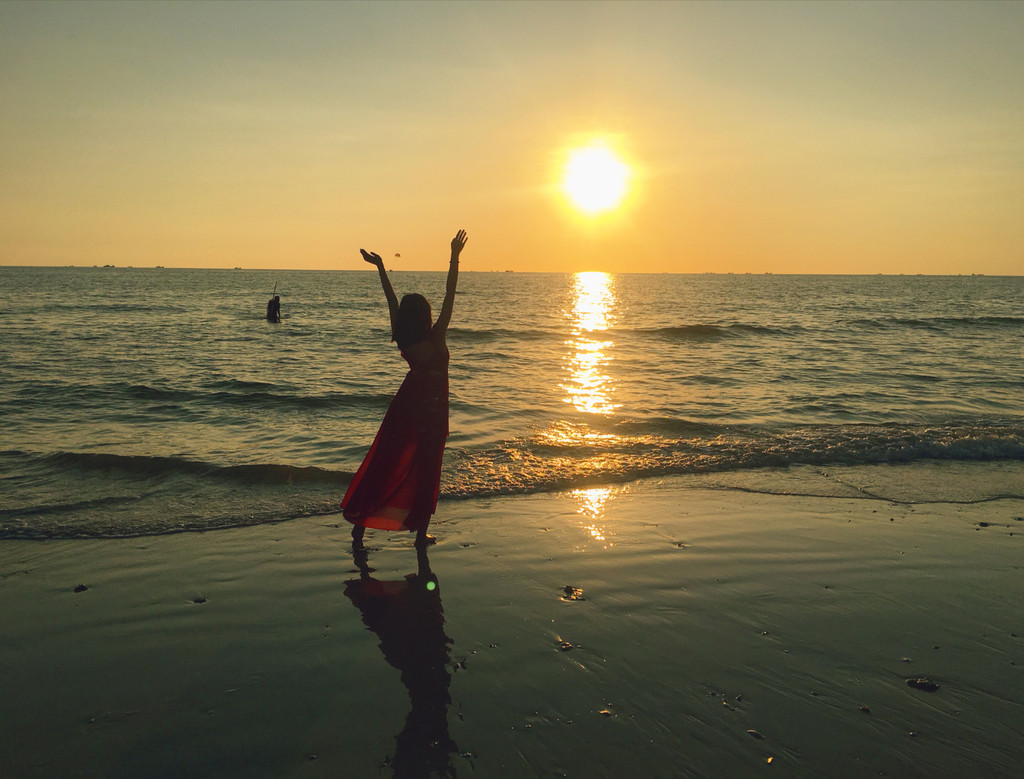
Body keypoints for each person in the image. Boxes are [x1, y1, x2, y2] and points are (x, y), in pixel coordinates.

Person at [342, 230, 468, 548]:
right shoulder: (436, 336)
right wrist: (454, 256)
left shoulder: (404, 337)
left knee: (387, 462)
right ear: (426, 316)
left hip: (407, 406)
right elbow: (450, 292)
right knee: (427, 471)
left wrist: (381, 267)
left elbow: (391, 300)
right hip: (434, 411)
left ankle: (360, 522)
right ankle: (420, 532)